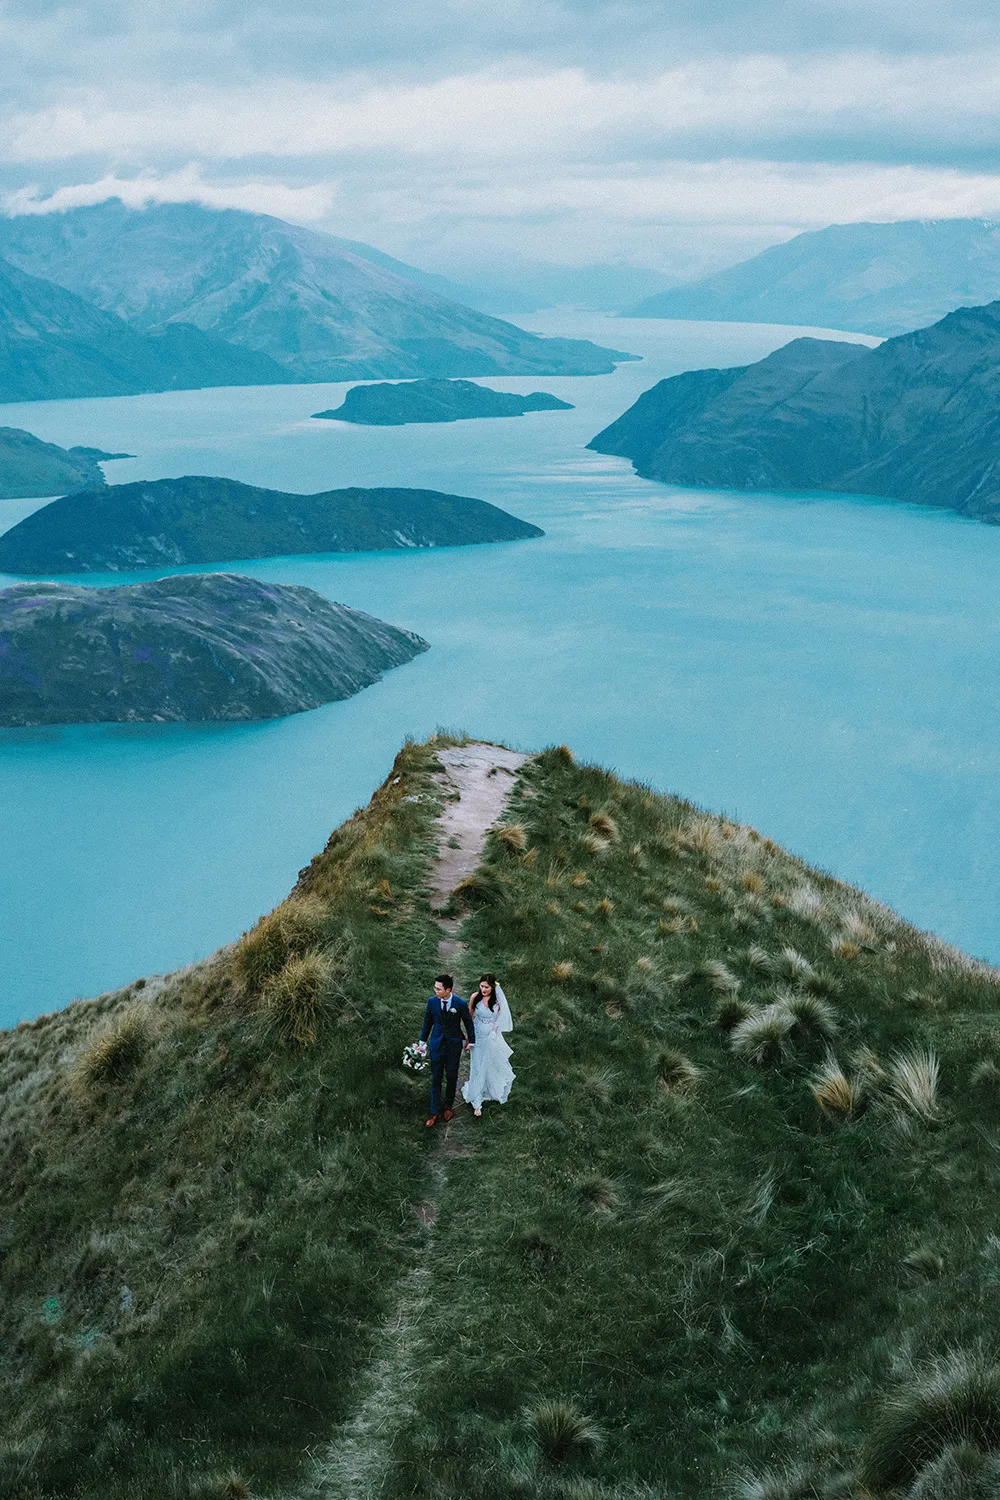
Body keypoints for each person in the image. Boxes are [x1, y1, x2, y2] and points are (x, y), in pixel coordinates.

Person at [419, 974, 475, 1128]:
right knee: (436, 1077)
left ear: (448, 990)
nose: (435, 991)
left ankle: (448, 1106)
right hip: (437, 1044)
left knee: (451, 1076)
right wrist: (422, 1042)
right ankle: (434, 1111)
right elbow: (427, 1023)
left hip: (453, 1045)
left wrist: (471, 1041)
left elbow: (468, 1023)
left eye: (438, 988)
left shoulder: (459, 1004)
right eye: (435, 988)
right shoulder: (432, 1002)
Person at [461, 973, 515, 1118]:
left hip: (491, 1037)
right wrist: (468, 1037)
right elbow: (469, 1017)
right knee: (477, 1065)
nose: (483, 989)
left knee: (489, 1064)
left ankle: (488, 1088)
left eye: (487, 987)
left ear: (493, 987)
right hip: (477, 1036)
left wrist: (494, 1032)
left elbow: (500, 1020)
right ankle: (477, 1102)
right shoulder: (475, 997)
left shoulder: (497, 1002)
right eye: (481, 986)